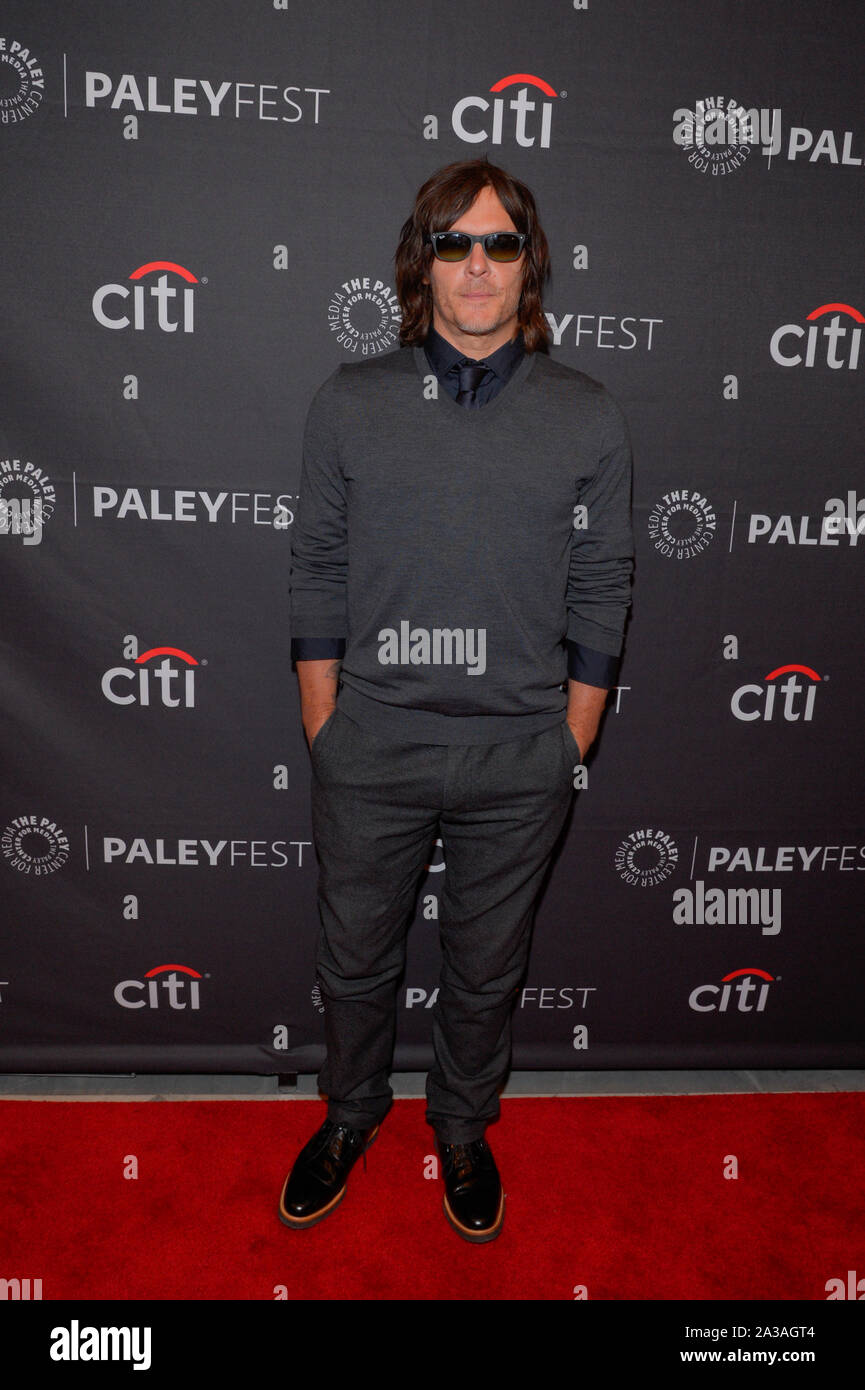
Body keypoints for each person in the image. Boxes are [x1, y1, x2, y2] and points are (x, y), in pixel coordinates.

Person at [279, 157, 634, 1242]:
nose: (476, 266)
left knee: (487, 966)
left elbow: (605, 580)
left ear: (530, 268)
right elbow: (318, 566)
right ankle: (349, 1115)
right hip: (372, 743)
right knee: (353, 961)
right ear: (420, 262)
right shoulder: (349, 402)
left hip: (520, 755)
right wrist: (325, 722)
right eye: (454, 242)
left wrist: (569, 738)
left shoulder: (587, 413)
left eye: (500, 244)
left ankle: (464, 1129)